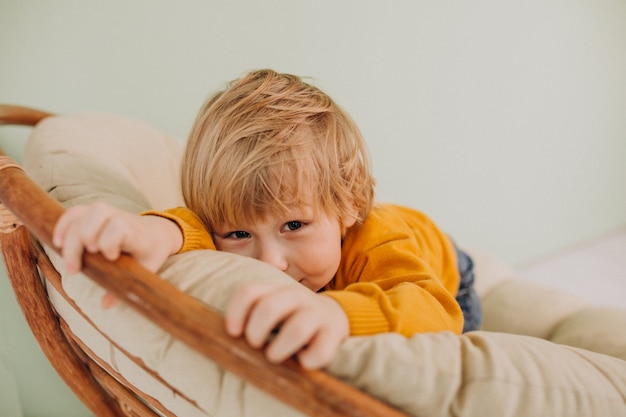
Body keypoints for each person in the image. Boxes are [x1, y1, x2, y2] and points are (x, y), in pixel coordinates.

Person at [53, 69, 481, 370]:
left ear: (349, 205)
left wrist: (336, 314)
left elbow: (436, 311)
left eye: (294, 226)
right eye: (239, 233)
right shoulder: (240, 233)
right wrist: (154, 230)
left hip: (450, 276)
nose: (269, 262)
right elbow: (199, 227)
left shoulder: (379, 239)